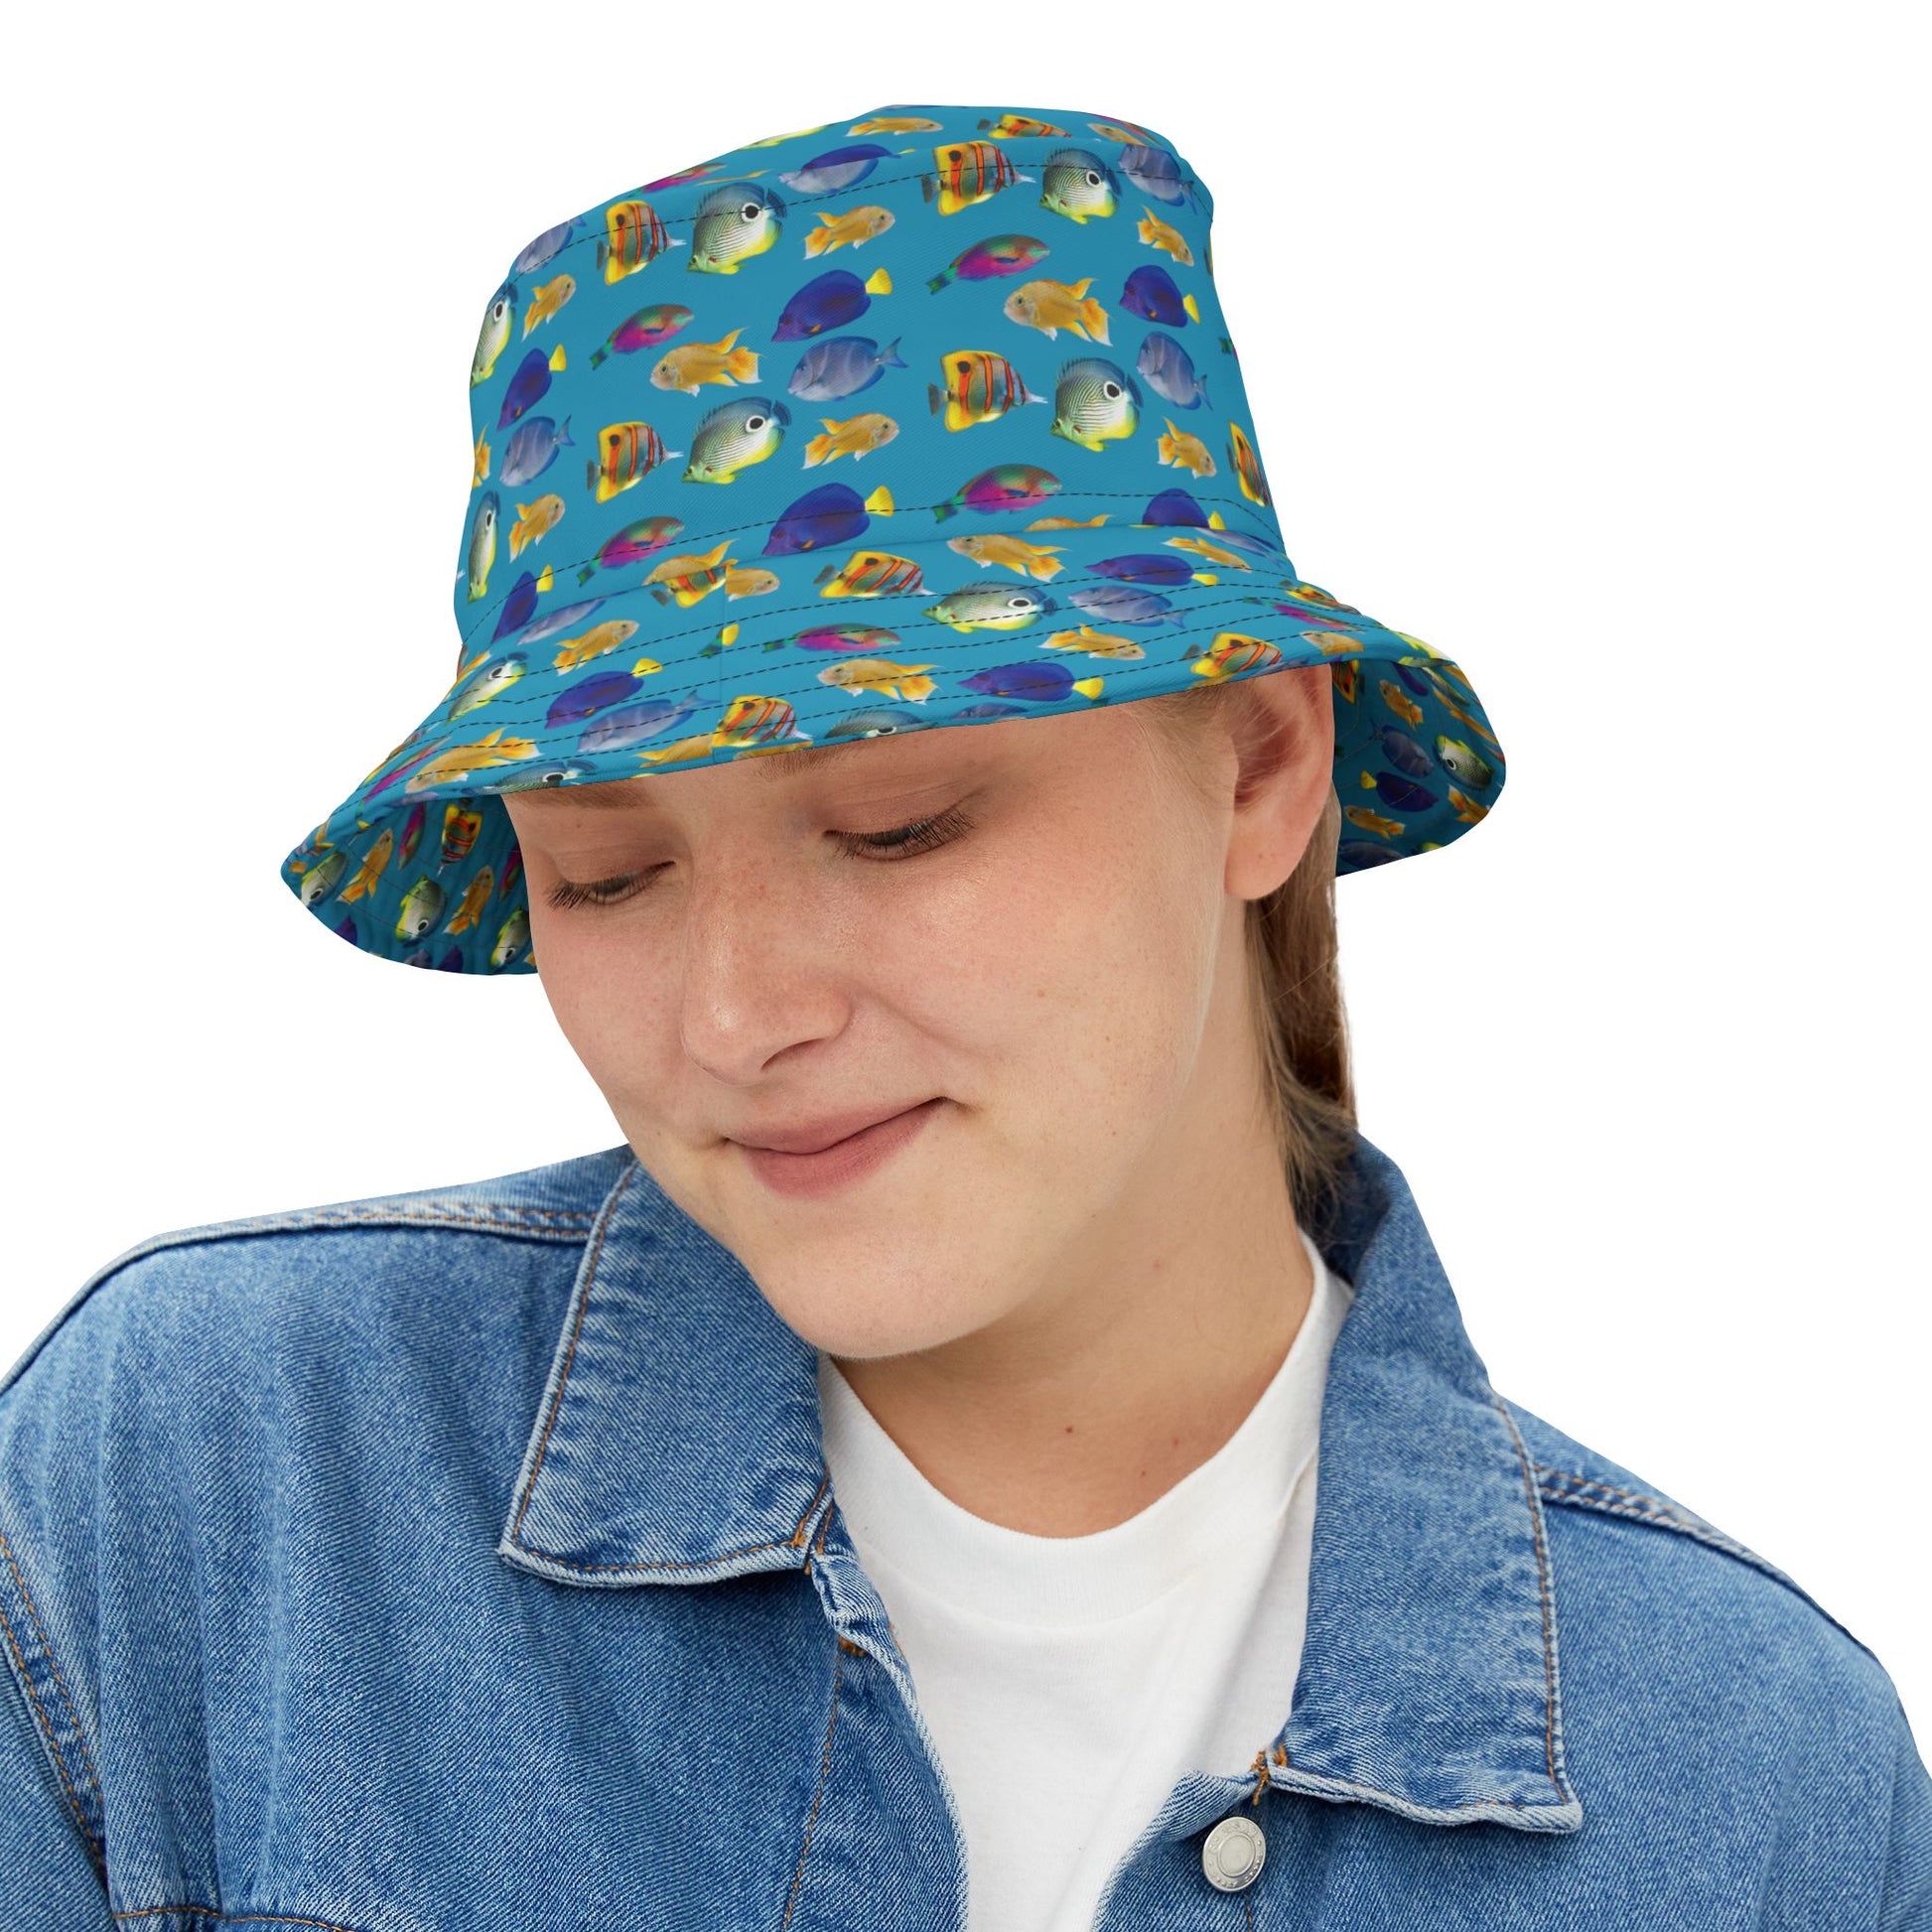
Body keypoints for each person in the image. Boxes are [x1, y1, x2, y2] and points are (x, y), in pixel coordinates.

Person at [3, 100, 1925, 1931]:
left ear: (1262, 766)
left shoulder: (1753, 1789)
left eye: (896, 825)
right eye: (606, 874)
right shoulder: (202, 1500)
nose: (736, 1015)